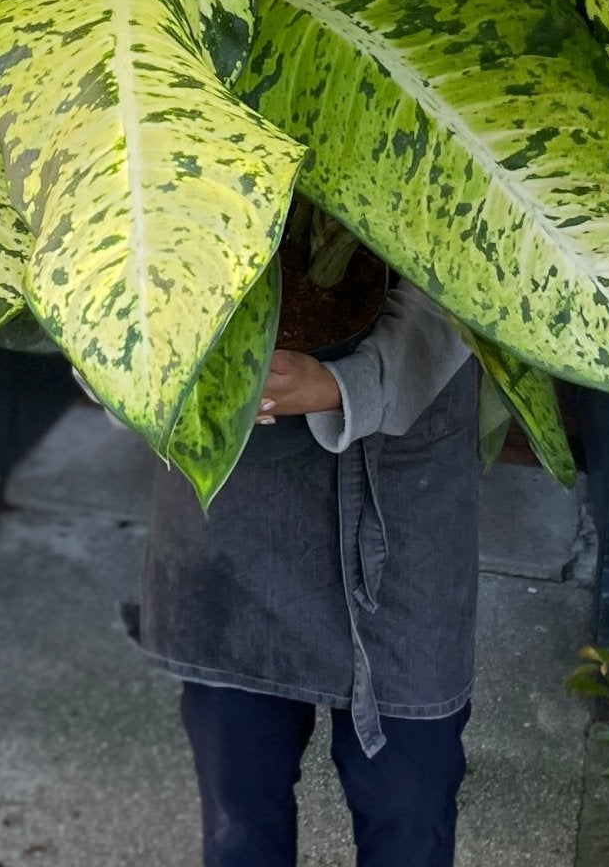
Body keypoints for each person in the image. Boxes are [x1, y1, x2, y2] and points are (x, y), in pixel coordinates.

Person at [134, 277, 478, 867]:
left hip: (397, 489)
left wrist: (346, 386)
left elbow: (471, 252)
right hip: (234, 504)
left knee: (409, 805)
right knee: (239, 809)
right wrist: (129, 365)